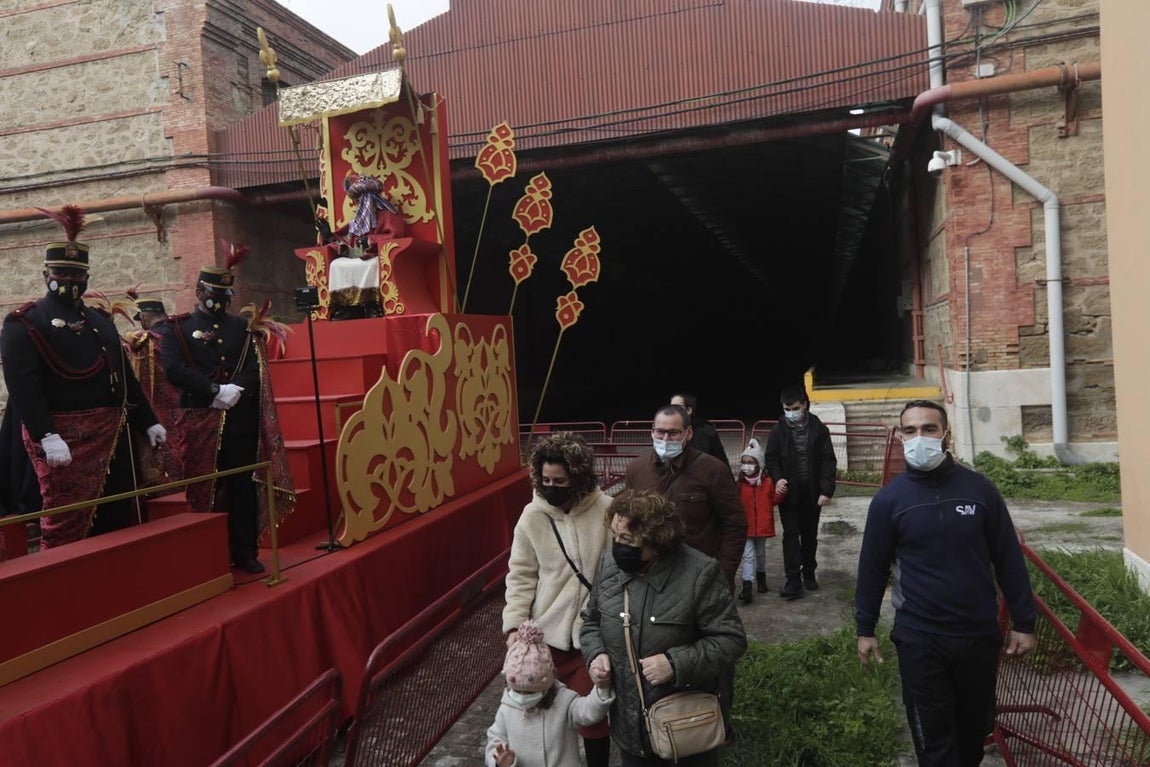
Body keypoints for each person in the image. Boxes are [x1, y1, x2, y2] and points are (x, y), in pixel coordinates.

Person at [855, 400, 1036, 767]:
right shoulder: (889, 501)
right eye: (910, 431)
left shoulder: (980, 491)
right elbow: (872, 569)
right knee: (934, 743)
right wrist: (865, 628)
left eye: (928, 429)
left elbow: (1008, 559)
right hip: (920, 639)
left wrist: (1024, 622)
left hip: (977, 637)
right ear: (901, 437)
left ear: (946, 435)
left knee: (972, 738)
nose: (918, 437)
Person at [0, 205, 166, 548]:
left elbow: (123, 378)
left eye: (78, 274)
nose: (72, 281)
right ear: (47, 274)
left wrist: (148, 420)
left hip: (111, 435)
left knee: (117, 516)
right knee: (67, 520)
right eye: (63, 273)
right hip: (64, 437)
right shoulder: (25, 322)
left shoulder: (100, 322)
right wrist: (46, 435)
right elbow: (23, 387)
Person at [580, 489, 747, 767]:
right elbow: (591, 621)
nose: (617, 545)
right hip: (631, 730)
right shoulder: (610, 564)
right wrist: (596, 654)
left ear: (656, 542)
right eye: (615, 536)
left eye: (627, 539)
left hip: (685, 727)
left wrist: (675, 663)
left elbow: (731, 640)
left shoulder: (700, 572)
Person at [160, 247, 294, 574]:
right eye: (213, 293)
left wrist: (234, 389)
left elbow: (253, 366)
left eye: (224, 294)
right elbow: (174, 369)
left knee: (241, 486)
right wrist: (213, 390)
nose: (218, 300)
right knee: (203, 487)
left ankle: (244, 551)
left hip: (238, 419)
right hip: (199, 416)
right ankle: (206, 550)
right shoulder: (176, 328)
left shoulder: (241, 327)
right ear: (198, 292)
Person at [502, 432, 613, 767]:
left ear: (578, 477)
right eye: (545, 480)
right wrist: (513, 628)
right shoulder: (532, 517)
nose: (551, 487)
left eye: (560, 481)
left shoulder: (607, 511)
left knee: (593, 720)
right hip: (544, 637)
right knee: (538, 716)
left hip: (590, 637)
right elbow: (521, 577)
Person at [623, 404, 746, 587]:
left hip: (698, 577)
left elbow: (735, 524)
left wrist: (722, 573)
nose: (665, 439)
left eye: (673, 433)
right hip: (650, 576)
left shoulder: (713, 470)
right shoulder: (637, 469)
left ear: (688, 433)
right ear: (652, 431)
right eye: (660, 432)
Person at [485, 619, 613, 767]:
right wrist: (499, 760)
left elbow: (588, 712)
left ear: (546, 685)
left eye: (530, 692)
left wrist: (601, 689)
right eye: (518, 691)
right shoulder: (507, 709)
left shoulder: (564, 701)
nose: (522, 698)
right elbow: (495, 739)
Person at [763, 384, 836, 600]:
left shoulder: (819, 429)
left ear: (804, 404)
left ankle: (809, 572)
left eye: (794, 408)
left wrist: (826, 490)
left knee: (810, 535)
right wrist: (777, 479)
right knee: (791, 535)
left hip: (812, 492)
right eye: (787, 409)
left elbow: (828, 461)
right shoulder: (777, 431)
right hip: (789, 492)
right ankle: (793, 578)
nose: (790, 413)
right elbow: (771, 458)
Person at [734, 438, 788, 604]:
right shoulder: (739, 484)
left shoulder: (767, 482)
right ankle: (747, 585)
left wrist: (782, 491)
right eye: (744, 462)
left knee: (761, 554)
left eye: (751, 462)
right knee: (748, 556)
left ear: (759, 464)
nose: (747, 466)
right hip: (747, 526)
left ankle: (761, 577)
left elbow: (773, 500)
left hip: (762, 526)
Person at [670, 392, 728, 465]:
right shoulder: (668, 430)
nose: (671, 410)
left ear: (689, 410)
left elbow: (721, 459)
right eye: (670, 407)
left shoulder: (706, 431)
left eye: (676, 407)